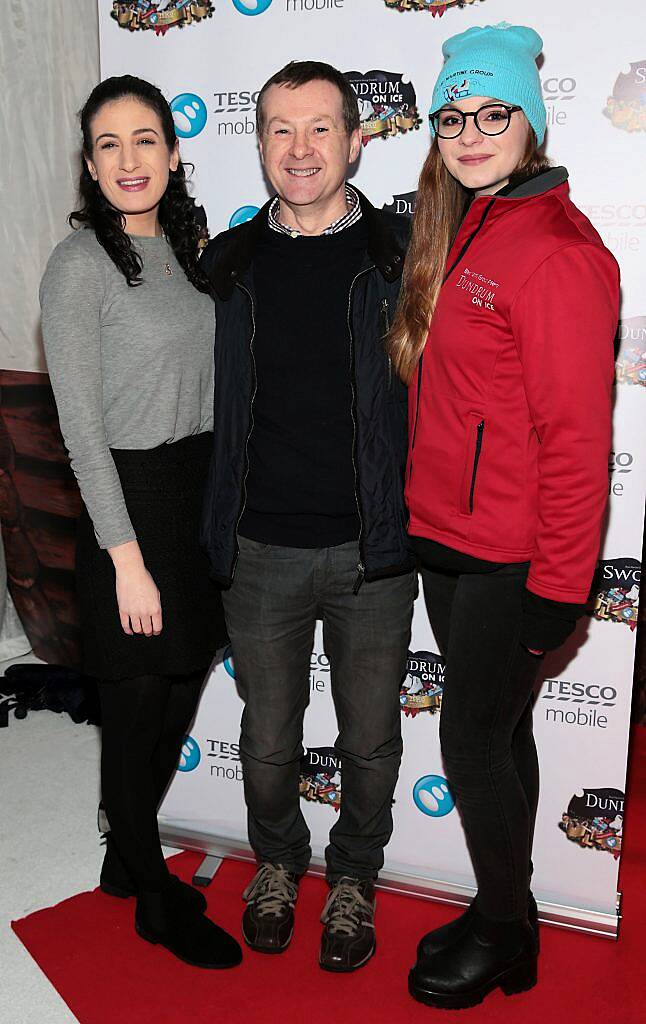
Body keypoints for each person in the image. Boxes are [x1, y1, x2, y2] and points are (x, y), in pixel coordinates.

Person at [387, 24, 620, 1010]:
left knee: (473, 745)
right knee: (500, 738)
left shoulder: (561, 253)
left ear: (529, 119)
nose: (471, 133)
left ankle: (504, 930)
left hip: (505, 560)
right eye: (452, 116)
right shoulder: (472, 218)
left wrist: (556, 593)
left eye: (492, 114)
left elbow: (574, 443)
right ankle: (505, 914)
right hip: (445, 537)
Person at [200, 60, 416, 972]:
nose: (300, 148)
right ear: (258, 146)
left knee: (368, 739)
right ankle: (279, 864)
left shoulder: (403, 255)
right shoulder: (230, 263)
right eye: (280, 129)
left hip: (374, 550)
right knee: (266, 740)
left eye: (320, 127)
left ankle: (355, 878)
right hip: (260, 549)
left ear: (356, 141)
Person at [39, 75, 241, 970]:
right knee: (132, 706)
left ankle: (126, 858)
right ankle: (152, 894)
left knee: (177, 693)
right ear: (89, 163)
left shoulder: (192, 251)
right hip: (128, 503)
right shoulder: (79, 266)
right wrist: (124, 558)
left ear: (171, 151)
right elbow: (80, 429)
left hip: (199, 498)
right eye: (109, 144)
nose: (130, 159)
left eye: (146, 139)